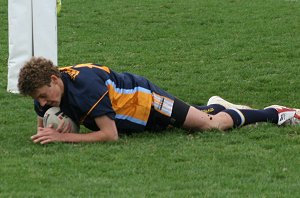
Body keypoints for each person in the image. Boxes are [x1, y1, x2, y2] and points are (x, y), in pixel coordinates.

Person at [18, 57, 300, 144]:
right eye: (37, 99)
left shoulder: (86, 89)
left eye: (43, 96)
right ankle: (217, 105)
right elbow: (44, 127)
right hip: (133, 119)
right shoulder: (44, 95)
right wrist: (52, 129)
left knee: (210, 126)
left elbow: (110, 135)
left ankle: (274, 113)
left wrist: (63, 139)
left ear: (55, 80)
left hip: (148, 101)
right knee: (190, 123)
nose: (42, 104)